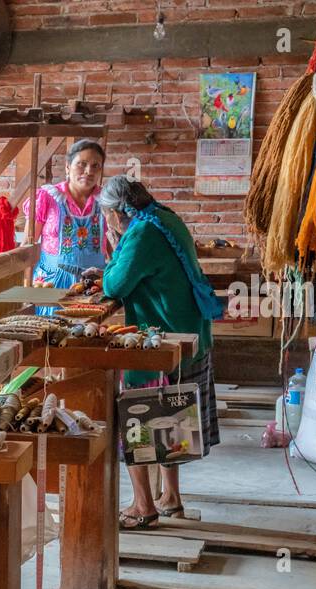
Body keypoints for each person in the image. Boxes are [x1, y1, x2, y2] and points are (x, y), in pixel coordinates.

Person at [85, 175, 222, 529]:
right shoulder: (165, 216)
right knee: (170, 417)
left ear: (116, 214)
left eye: (106, 216)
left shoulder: (141, 233)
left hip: (160, 339)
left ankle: (143, 506)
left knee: (138, 418)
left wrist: (114, 252)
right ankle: (171, 498)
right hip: (188, 332)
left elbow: (115, 284)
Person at [20, 139, 110, 311]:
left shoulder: (106, 200)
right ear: (68, 167)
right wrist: (27, 288)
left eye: (95, 166)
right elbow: (28, 245)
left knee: (87, 332)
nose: (88, 171)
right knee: (50, 332)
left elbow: (116, 244)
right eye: (81, 164)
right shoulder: (48, 197)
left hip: (93, 284)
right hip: (52, 282)